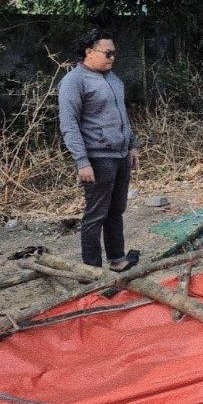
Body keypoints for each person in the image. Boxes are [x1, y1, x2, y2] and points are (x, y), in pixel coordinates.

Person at [58, 28, 140, 272]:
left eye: (114, 53)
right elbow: (69, 124)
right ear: (89, 53)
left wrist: (132, 145)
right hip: (98, 157)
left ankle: (117, 259)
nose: (112, 58)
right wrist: (82, 161)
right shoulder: (74, 81)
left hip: (121, 154)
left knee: (116, 210)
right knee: (96, 214)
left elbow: (123, 115)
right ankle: (91, 270)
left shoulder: (113, 79)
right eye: (108, 53)